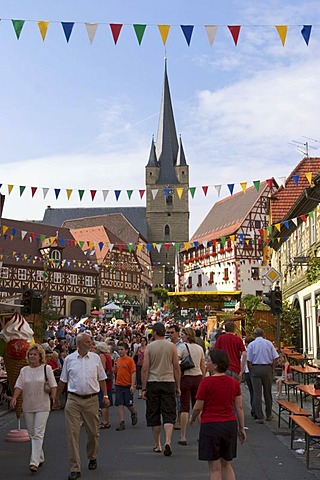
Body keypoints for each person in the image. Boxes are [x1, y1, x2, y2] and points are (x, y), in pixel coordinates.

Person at [54, 332, 109, 480]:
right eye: (87, 342)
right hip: (73, 400)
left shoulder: (96, 358)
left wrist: (105, 396)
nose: (90, 344)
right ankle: (75, 468)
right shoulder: (69, 360)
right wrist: (57, 397)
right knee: (72, 434)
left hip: (91, 400)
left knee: (93, 432)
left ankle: (92, 456)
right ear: (78, 344)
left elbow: (102, 379)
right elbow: (63, 381)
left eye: (90, 341)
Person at [190, 349, 246, 480]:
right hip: (229, 424)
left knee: (215, 468)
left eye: (208, 360)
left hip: (211, 425)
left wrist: (192, 418)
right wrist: (241, 428)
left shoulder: (206, 382)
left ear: (215, 365)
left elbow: (198, 406)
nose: (206, 363)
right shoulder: (233, 382)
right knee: (227, 464)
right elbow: (239, 407)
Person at [10, 344, 57, 473]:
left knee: (38, 433)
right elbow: (19, 385)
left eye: (35, 354)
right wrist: (14, 398)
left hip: (43, 405)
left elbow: (53, 385)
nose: (32, 356)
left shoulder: (46, 369)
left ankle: (34, 462)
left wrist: (54, 399)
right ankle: (40, 457)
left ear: (40, 356)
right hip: (28, 405)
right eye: (30, 354)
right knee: (32, 434)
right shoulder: (24, 370)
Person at [141, 322, 181, 456]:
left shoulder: (149, 347)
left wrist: (144, 387)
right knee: (169, 412)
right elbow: (176, 367)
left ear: (155, 333)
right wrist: (178, 385)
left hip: (153, 382)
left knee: (154, 413)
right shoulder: (172, 346)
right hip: (168, 381)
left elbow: (145, 368)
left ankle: (157, 444)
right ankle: (168, 441)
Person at [178, 327, 206, 446]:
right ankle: (202, 434)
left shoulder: (182, 347)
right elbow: (202, 365)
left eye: (182, 334)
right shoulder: (199, 348)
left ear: (187, 335)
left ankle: (183, 435)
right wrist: (203, 379)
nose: (181, 336)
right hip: (198, 377)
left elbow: (176, 363)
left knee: (184, 406)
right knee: (198, 406)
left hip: (186, 377)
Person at [246, 327, 279, 424]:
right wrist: (272, 369)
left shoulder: (251, 345)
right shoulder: (269, 343)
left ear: (254, 335)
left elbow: (249, 360)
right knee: (267, 392)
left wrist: (251, 370)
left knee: (257, 393)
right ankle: (269, 414)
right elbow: (275, 358)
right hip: (267, 368)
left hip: (256, 368)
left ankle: (259, 416)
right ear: (263, 334)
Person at [114, 342, 138, 431]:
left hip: (127, 385)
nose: (120, 351)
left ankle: (133, 412)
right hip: (119, 385)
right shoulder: (118, 360)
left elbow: (133, 372)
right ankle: (122, 422)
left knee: (128, 403)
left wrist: (132, 385)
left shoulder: (130, 360)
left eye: (122, 349)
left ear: (126, 350)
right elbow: (116, 372)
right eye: (119, 349)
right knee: (119, 403)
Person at [95, 342, 113, 429]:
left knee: (103, 401)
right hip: (108, 380)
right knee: (106, 400)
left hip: (104, 381)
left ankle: (105, 421)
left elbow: (102, 369)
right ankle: (106, 420)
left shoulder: (102, 356)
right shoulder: (108, 356)